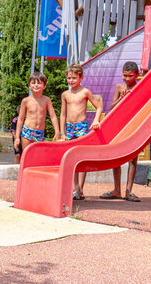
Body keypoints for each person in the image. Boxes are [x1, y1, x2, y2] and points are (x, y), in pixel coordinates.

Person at [60, 63, 103, 201]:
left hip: (82, 127)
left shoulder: (85, 92)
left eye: (74, 78)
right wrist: (62, 132)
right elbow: (62, 114)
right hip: (70, 128)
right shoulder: (65, 94)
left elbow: (99, 107)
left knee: (82, 157)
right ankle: (75, 188)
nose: (71, 81)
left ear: (81, 78)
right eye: (69, 78)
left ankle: (80, 188)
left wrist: (96, 121)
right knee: (71, 158)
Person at [102, 61, 142, 201]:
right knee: (116, 157)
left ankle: (128, 191)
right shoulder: (119, 87)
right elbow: (112, 106)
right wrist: (121, 99)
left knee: (133, 158)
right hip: (119, 125)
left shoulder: (139, 87)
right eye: (124, 75)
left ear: (136, 75)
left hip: (133, 125)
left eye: (130, 76)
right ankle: (117, 190)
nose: (126, 79)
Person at [14, 72, 59, 165]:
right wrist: (17, 137)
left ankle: (35, 177)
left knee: (38, 158)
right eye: (33, 83)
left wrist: (57, 132)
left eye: (39, 83)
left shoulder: (46, 100)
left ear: (44, 86)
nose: (36, 85)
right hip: (27, 132)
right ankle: (24, 178)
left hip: (40, 133)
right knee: (25, 156)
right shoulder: (26, 101)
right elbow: (21, 119)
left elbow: (53, 116)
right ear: (29, 86)